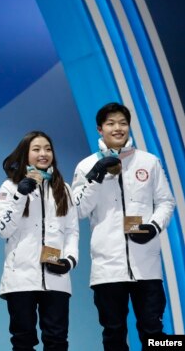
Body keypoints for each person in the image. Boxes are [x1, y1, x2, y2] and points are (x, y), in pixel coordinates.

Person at [72, 102, 174, 350]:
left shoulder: (149, 162)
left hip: (146, 266)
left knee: (155, 335)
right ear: (99, 129)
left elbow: (166, 202)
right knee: (114, 334)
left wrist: (153, 226)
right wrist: (96, 175)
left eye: (122, 123)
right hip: (108, 267)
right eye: (110, 123)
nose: (117, 128)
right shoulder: (86, 166)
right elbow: (78, 210)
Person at [0, 131, 79, 351]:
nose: (43, 154)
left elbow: (71, 231)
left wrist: (69, 260)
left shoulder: (64, 188)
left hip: (56, 277)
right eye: (37, 149)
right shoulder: (9, 187)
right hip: (20, 278)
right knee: (23, 341)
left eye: (48, 149)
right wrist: (20, 195)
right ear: (26, 153)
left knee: (57, 339)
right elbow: (3, 230)